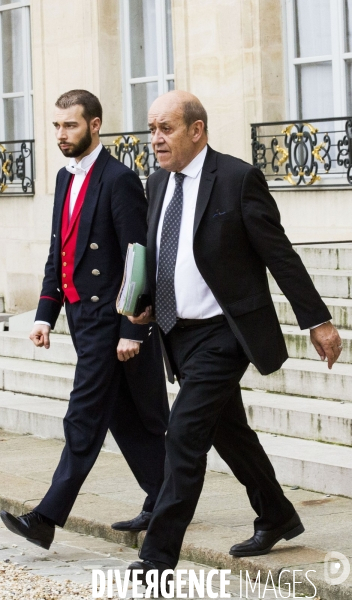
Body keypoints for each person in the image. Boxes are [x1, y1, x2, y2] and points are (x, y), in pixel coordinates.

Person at [127, 90, 342, 582]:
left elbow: (278, 253)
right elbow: (161, 254)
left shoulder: (238, 179)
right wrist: (142, 306)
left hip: (225, 334)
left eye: (166, 129)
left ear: (196, 130)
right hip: (176, 334)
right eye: (152, 128)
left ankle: (157, 561)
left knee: (183, 436)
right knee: (231, 433)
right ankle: (277, 515)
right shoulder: (158, 183)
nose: (155, 139)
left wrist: (318, 320)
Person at [0, 89, 169, 550]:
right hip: (81, 317)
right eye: (56, 126)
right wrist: (45, 315)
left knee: (83, 416)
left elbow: (139, 258)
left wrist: (134, 327)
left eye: (70, 125)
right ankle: (166, 498)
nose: (61, 134)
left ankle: (47, 517)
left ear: (95, 125)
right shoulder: (63, 176)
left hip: (111, 321)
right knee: (126, 417)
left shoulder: (118, 179)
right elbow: (61, 249)